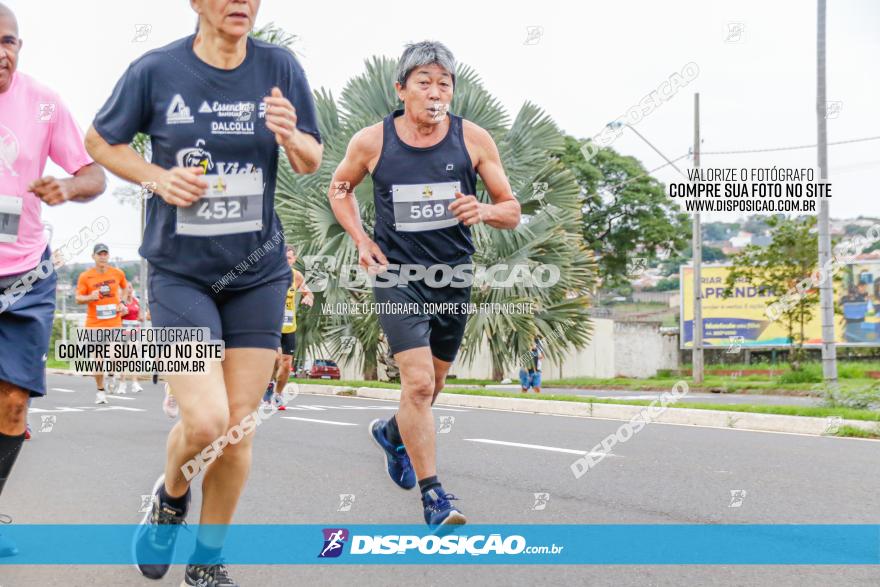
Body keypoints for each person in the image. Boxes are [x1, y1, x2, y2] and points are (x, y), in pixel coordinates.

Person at [85, 0, 322, 583]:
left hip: (259, 273)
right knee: (208, 421)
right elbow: (99, 141)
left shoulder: (279, 66)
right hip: (180, 273)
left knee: (240, 428)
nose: (241, 2)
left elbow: (313, 159)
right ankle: (169, 500)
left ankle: (208, 562)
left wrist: (291, 136)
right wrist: (157, 177)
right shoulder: (157, 70)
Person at [327, 41, 520, 530]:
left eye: (444, 84)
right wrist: (359, 237)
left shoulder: (473, 139)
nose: (436, 93)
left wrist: (485, 210)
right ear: (402, 89)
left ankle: (392, 434)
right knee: (415, 383)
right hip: (397, 275)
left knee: (430, 387)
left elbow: (511, 210)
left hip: (453, 277)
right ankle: (434, 496)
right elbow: (340, 187)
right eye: (424, 82)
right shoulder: (372, 142)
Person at [0, 1, 106, 557]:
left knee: (14, 403)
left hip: (25, 277)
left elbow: (94, 173)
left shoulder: (43, 103)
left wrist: (69, 187)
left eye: (10, 41)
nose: (2, 52)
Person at [75, 243, 128, 403]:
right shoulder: (86, 276)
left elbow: (125, 288)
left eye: (105, 254)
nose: (103, 257)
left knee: (114, 356)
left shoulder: (117, 273)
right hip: (94, 325)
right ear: (94, 257)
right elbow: (78, 298)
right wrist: (90, 297)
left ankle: (111, 375)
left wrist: (123, 303)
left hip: (113, 323)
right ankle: (100, 391)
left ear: (108, 256)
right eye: (100, 254)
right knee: (97, 362)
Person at [263, 244, 313, 407]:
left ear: (294, 260)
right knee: (276, 358)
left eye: (289, 258)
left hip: (289, 327)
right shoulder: (269, 275)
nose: (286, 261)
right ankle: (269, 386)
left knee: (286, 365)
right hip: (271, 325)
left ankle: (278, 394)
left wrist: (308, 298)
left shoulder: (296, 276)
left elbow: (308, 292)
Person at [119, 283, 144, 394]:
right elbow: (115, 316)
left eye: (130, 287)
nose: (129, 290)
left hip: (134, 331)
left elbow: (141, 316)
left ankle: (135, 383)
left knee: (134, 356)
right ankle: (122, 383)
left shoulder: (136, 301)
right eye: (127, 288)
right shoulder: (120, 302)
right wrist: (121, 313)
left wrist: (141, 317)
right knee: (123, 358)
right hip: (123, 332)